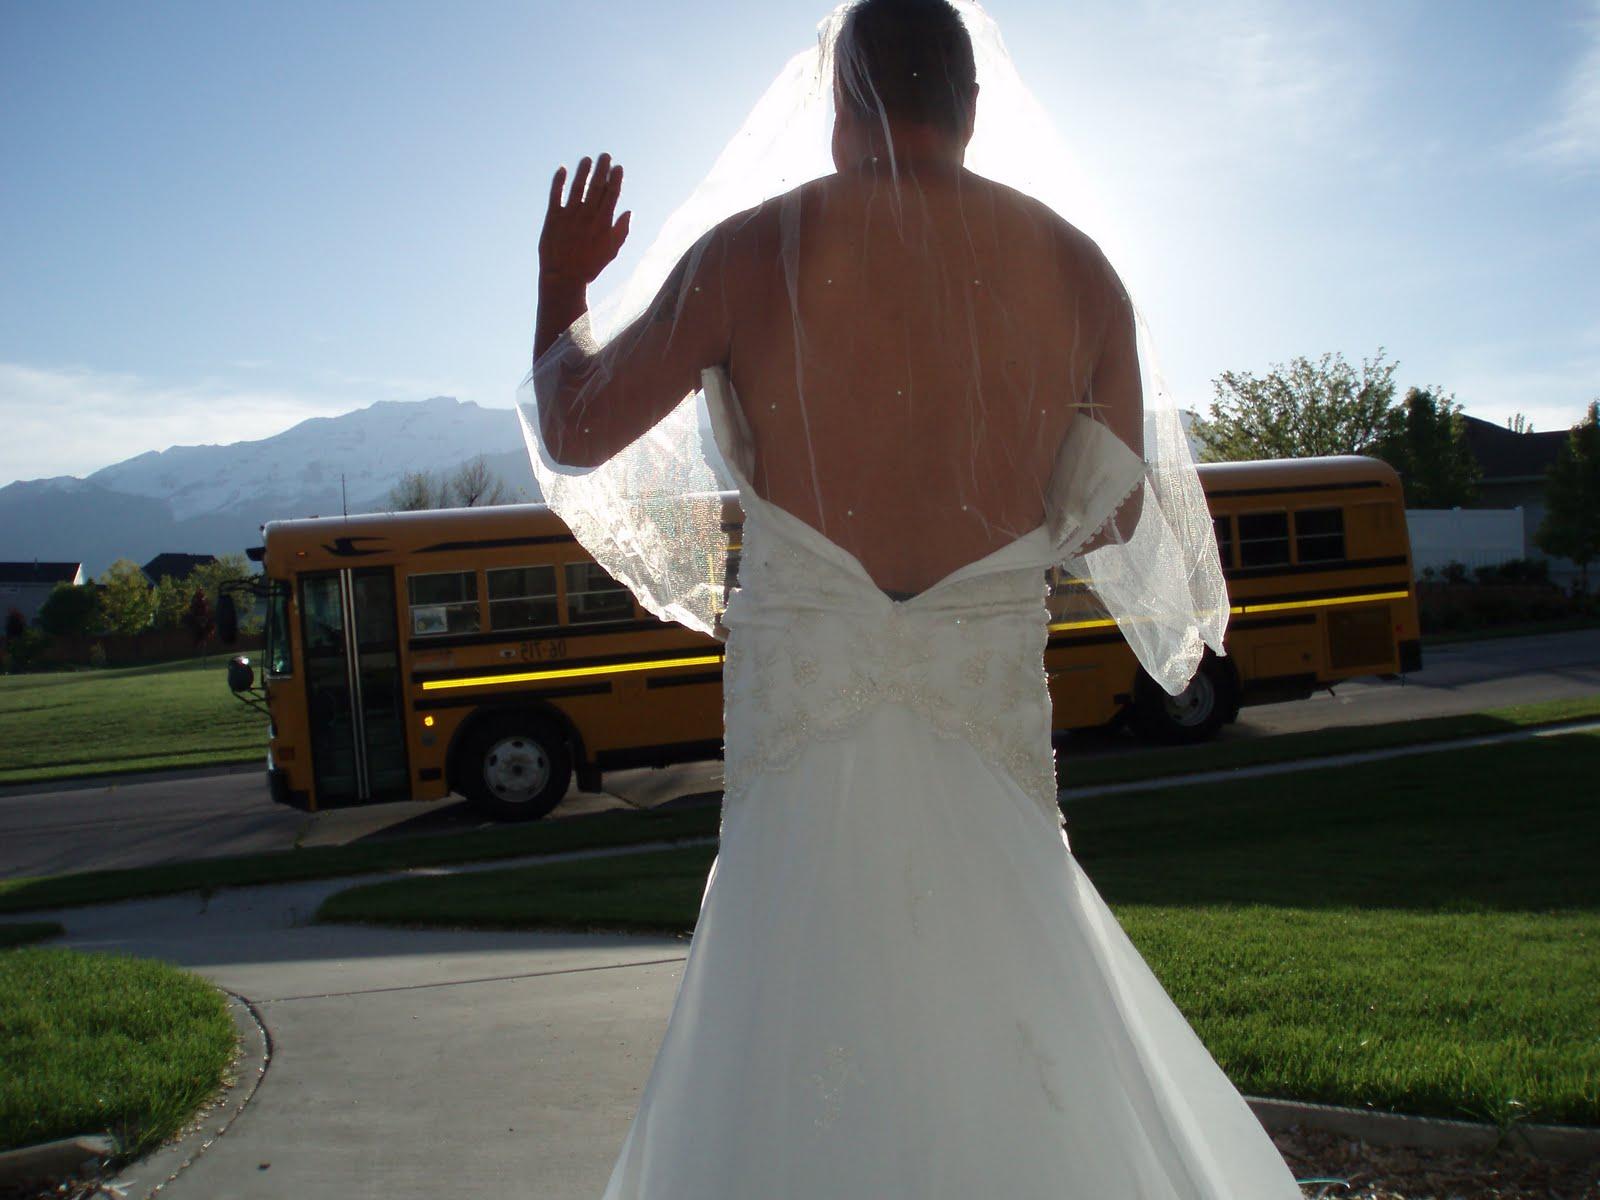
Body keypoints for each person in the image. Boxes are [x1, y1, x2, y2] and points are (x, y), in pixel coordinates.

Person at [525, 1, 1299, 1196]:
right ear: (973, 105)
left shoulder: (747, 251)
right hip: (985, 719)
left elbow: (576, 428)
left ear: (839, 103)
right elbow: (1122, 515)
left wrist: (562, 286)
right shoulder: (1083, 273)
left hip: (796, 754)